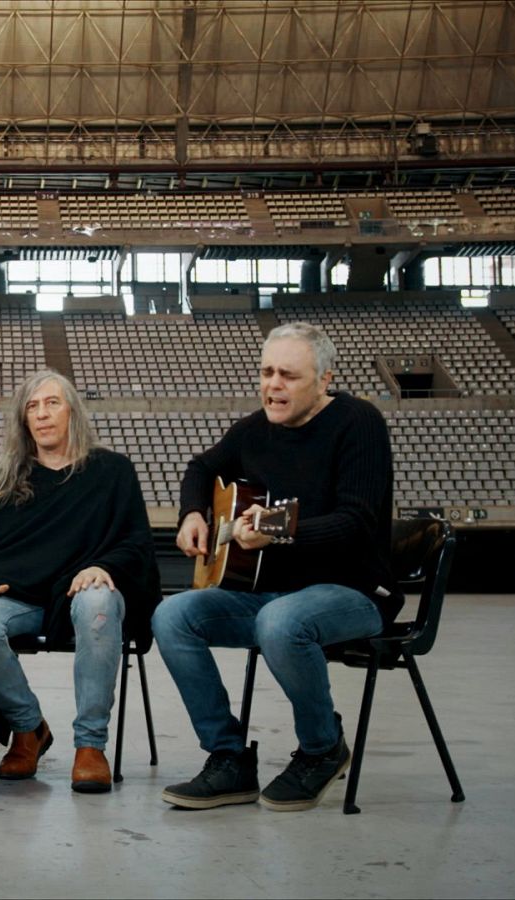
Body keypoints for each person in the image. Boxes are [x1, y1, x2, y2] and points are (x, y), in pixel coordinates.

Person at [152, 321, 399, 812]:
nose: (273, 386)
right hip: (270, 593)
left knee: (280, 621)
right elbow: (200, 467)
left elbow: (357, 521)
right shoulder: (254, 430)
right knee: (172, 616)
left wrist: (279, 529)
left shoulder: (359, 422)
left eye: (288, 375)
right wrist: (193, 513)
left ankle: (322, 747)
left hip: (354, 593)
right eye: (266, 372)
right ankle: (228, 758)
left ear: (325, 379)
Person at [0, 369, 159, 793]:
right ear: (24, 420)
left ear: (72, 412)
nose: (43, 415)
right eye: (33, 406)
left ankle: (90, 745)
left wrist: (106, 566)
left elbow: (136, 542)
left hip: (84, 591)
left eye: (53, 404)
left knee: (97, 602)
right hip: (24, 597)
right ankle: (28, 729)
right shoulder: (8, 480)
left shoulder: (113, 470)